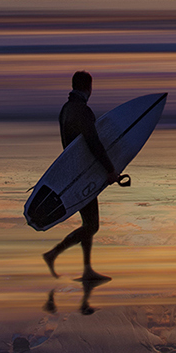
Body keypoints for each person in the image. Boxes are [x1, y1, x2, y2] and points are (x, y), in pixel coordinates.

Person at [43, 70, 120, 283]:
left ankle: (87, 270)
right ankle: (54, 254)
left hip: (73, 173)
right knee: (92, 225)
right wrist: (109, 169)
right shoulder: (83, 111)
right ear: (88, 87)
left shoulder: (66, 109)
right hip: (84, 174)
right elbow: (93, 143)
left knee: (89, 223)